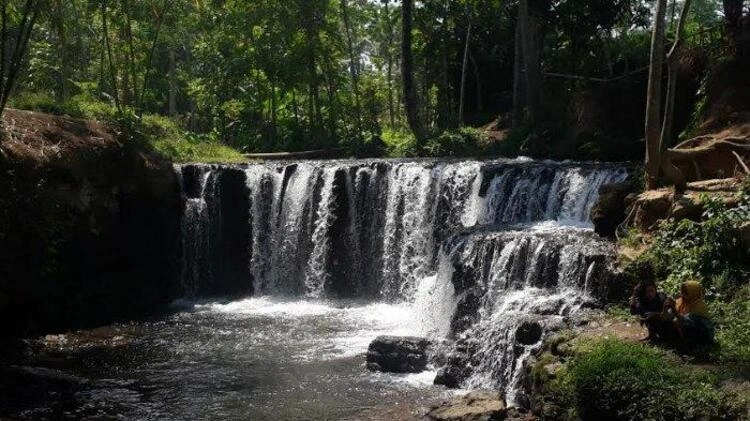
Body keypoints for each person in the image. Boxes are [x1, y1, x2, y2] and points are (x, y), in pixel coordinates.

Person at [665, 280, 715, 349]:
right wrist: (665, 307)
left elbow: (686, 321)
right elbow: (668, 315)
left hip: (704, 334)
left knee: (684, 324)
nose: (682, 295)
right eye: (682, 292)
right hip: (689, 331)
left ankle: (693, 346)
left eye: (686, 293)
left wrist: (673, 310)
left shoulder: (700, 306)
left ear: (693, 293)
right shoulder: (681, 302)